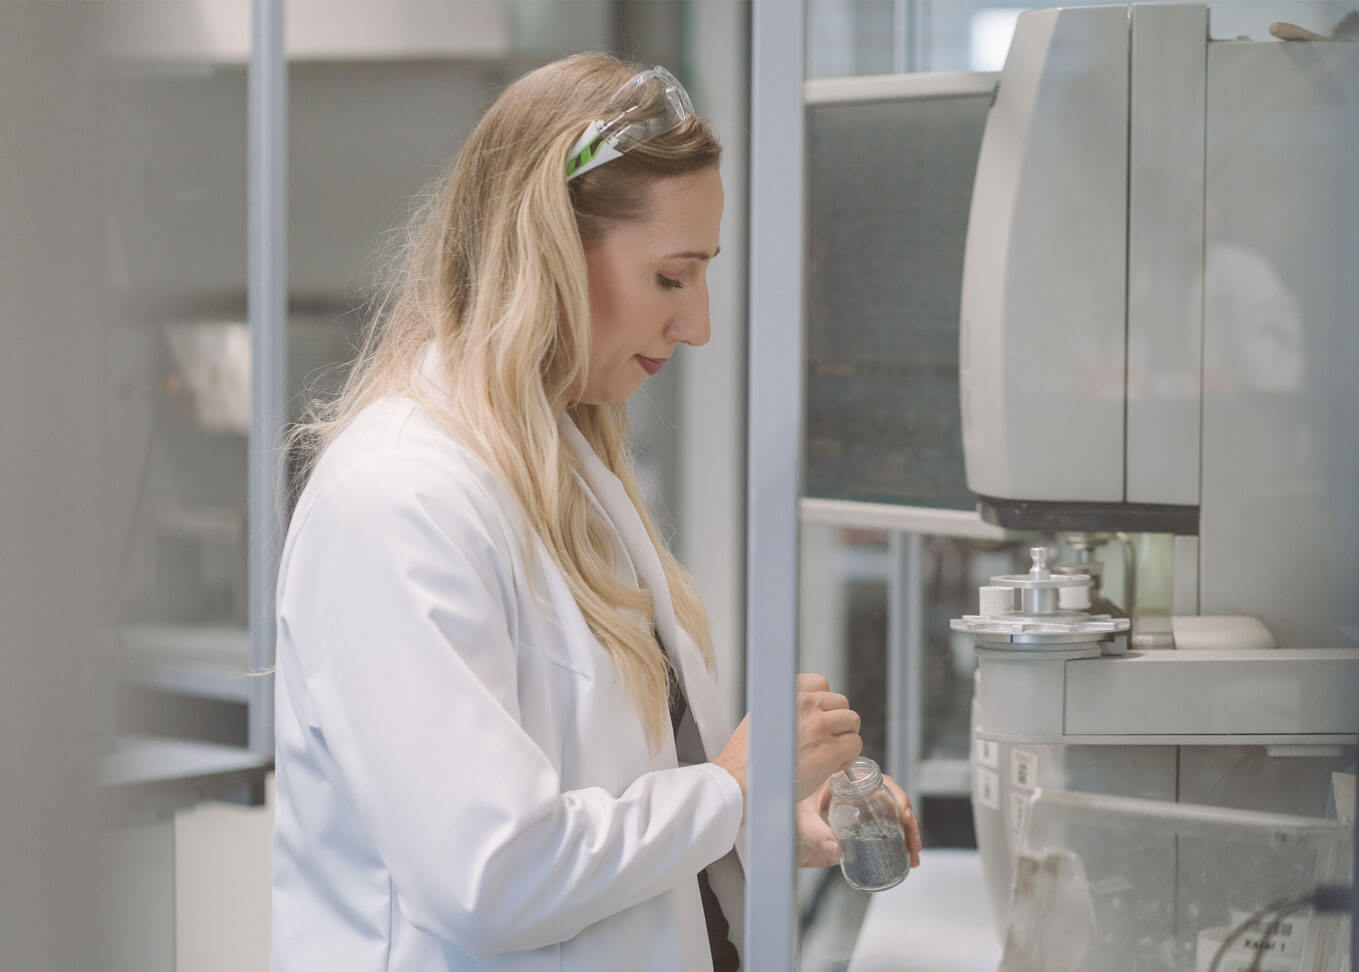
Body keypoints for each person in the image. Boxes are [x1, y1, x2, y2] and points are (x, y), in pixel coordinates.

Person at [269, 54, 921, 972]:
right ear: (548, 255)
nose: (695, 324)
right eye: (670, 277)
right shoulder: (399, 497)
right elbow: (492, 878)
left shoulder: (564, 463)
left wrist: (765, 820)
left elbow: (615, 800)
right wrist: (730, 793)